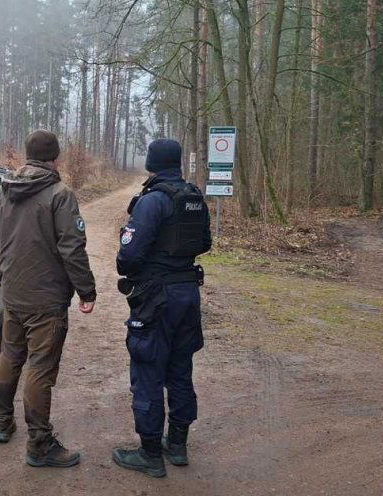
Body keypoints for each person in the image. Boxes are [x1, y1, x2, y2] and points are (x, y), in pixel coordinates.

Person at [0, 129, 97, 468]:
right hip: (46, 299)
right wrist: (87, 290)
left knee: (10, 355)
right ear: (56, 157)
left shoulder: (4, 190)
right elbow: (72, 247)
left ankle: (2, 424)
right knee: (40, 368)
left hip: (15, 293)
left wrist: (5, 276)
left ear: (28, 154)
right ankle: (39, 444)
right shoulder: (60, 194)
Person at [111, 138, 211, 478]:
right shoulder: (194, 198)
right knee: (180, 369)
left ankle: (150, 454)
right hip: (188, 294)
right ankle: (178, 446)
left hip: (157, 297)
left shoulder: (152, 201)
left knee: (148, 370)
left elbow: (129, 256)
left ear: (151, 164)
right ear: (178, 163)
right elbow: (206, 244)